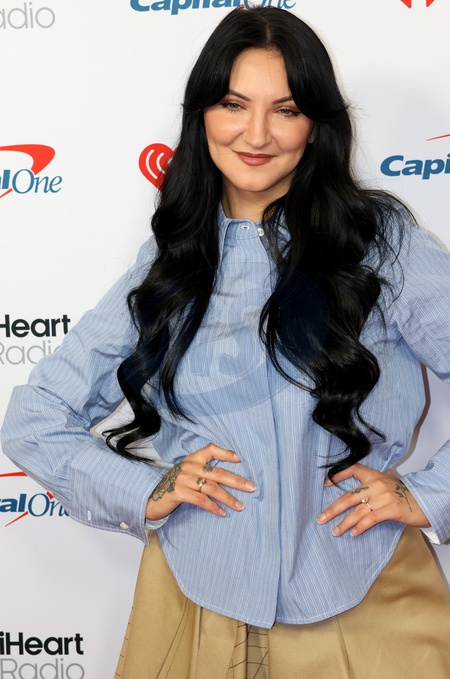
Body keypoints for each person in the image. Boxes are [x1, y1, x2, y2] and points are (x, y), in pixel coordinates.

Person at [1, 6, 449, 679]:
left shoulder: (380, 244)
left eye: (286, 109)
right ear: (202, 115)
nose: (256, 134)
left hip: (363, 592)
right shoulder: (171, 261)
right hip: (192, 599)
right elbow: (34, 420)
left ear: (316, 125)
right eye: (234, 104)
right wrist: (144, 488)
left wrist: (428, 494)